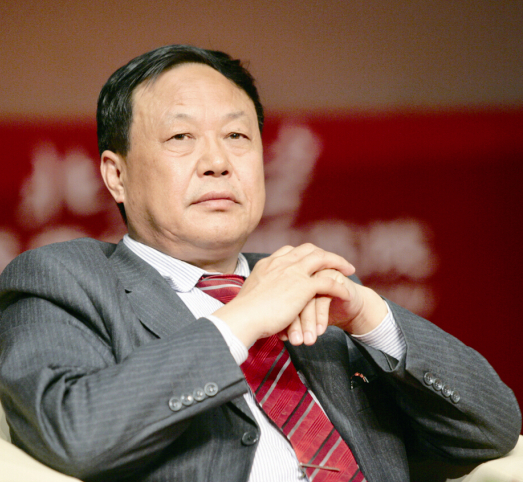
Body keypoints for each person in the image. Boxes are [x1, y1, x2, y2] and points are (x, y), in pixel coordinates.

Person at [0, 44, 520, 482]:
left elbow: (492, 432)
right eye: (181, 137)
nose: (218, 162)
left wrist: (371, 317)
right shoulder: (65, 279)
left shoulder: (312, 288)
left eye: (237, 137)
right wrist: (242, 320)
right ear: (116, 175)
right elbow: (73, 433)